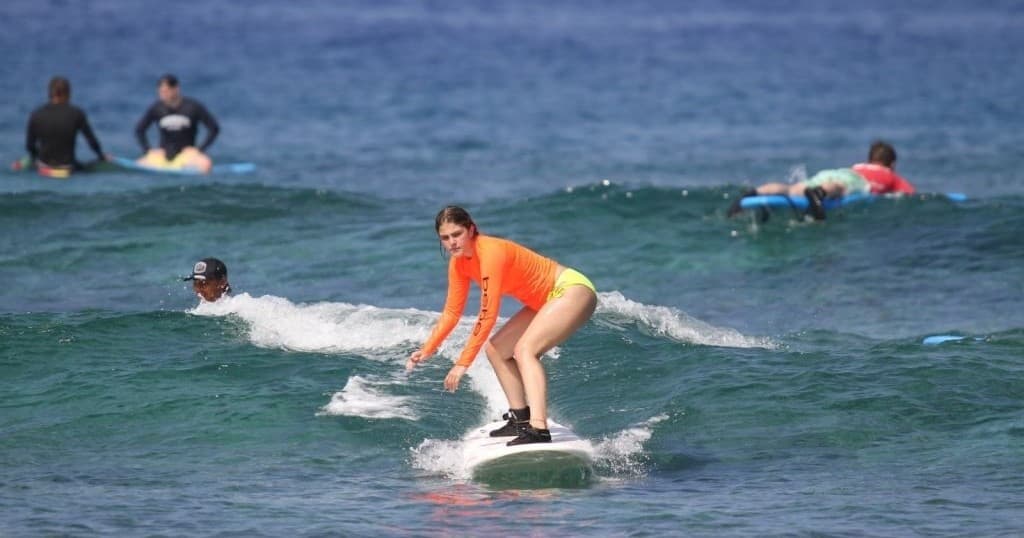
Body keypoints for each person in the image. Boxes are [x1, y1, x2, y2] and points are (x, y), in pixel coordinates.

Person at [406, 206, 598, 446]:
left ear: (471, 230)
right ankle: (520, 419)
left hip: (572, 290)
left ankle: (539, 428)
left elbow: (487, 314)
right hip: (545, 301)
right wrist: (428, 349)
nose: (452, 242)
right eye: (445, 238)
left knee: (524, 350)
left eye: (457, 234)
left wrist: (462, 364)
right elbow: (452, 312)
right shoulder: (459, 265)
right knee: (496, 350)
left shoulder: (490, 252)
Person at [728, 140, 916, 220]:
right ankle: (820, 193)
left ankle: (757, 192)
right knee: (840, 187)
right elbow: (911, 196)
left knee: (793, 189)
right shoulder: (890, 175)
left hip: (832, 172)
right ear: (891, 164)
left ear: (870, 159)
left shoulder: (858, 166)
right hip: (843, 181)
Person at [17, 76, 107, 175]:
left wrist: (35, 157)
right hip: (68, 168)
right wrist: (101, 156)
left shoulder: (36, 115)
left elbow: (29, 146)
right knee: (87, 169)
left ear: (49, 94)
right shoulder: (76, 113)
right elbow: (92, 142)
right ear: (68, 94)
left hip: (44, 168)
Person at [134, 74, 220, 173]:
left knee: (206, 164)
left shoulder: (193, 107)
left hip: (186, 156)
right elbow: (139, 130)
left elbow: (214, 128)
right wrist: (148, 150)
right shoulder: (157, 108)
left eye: (165, 91)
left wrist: (199, 149)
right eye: (160, 92)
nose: (162, 95)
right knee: (138, 165)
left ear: (176, 89)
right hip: (162, 156)